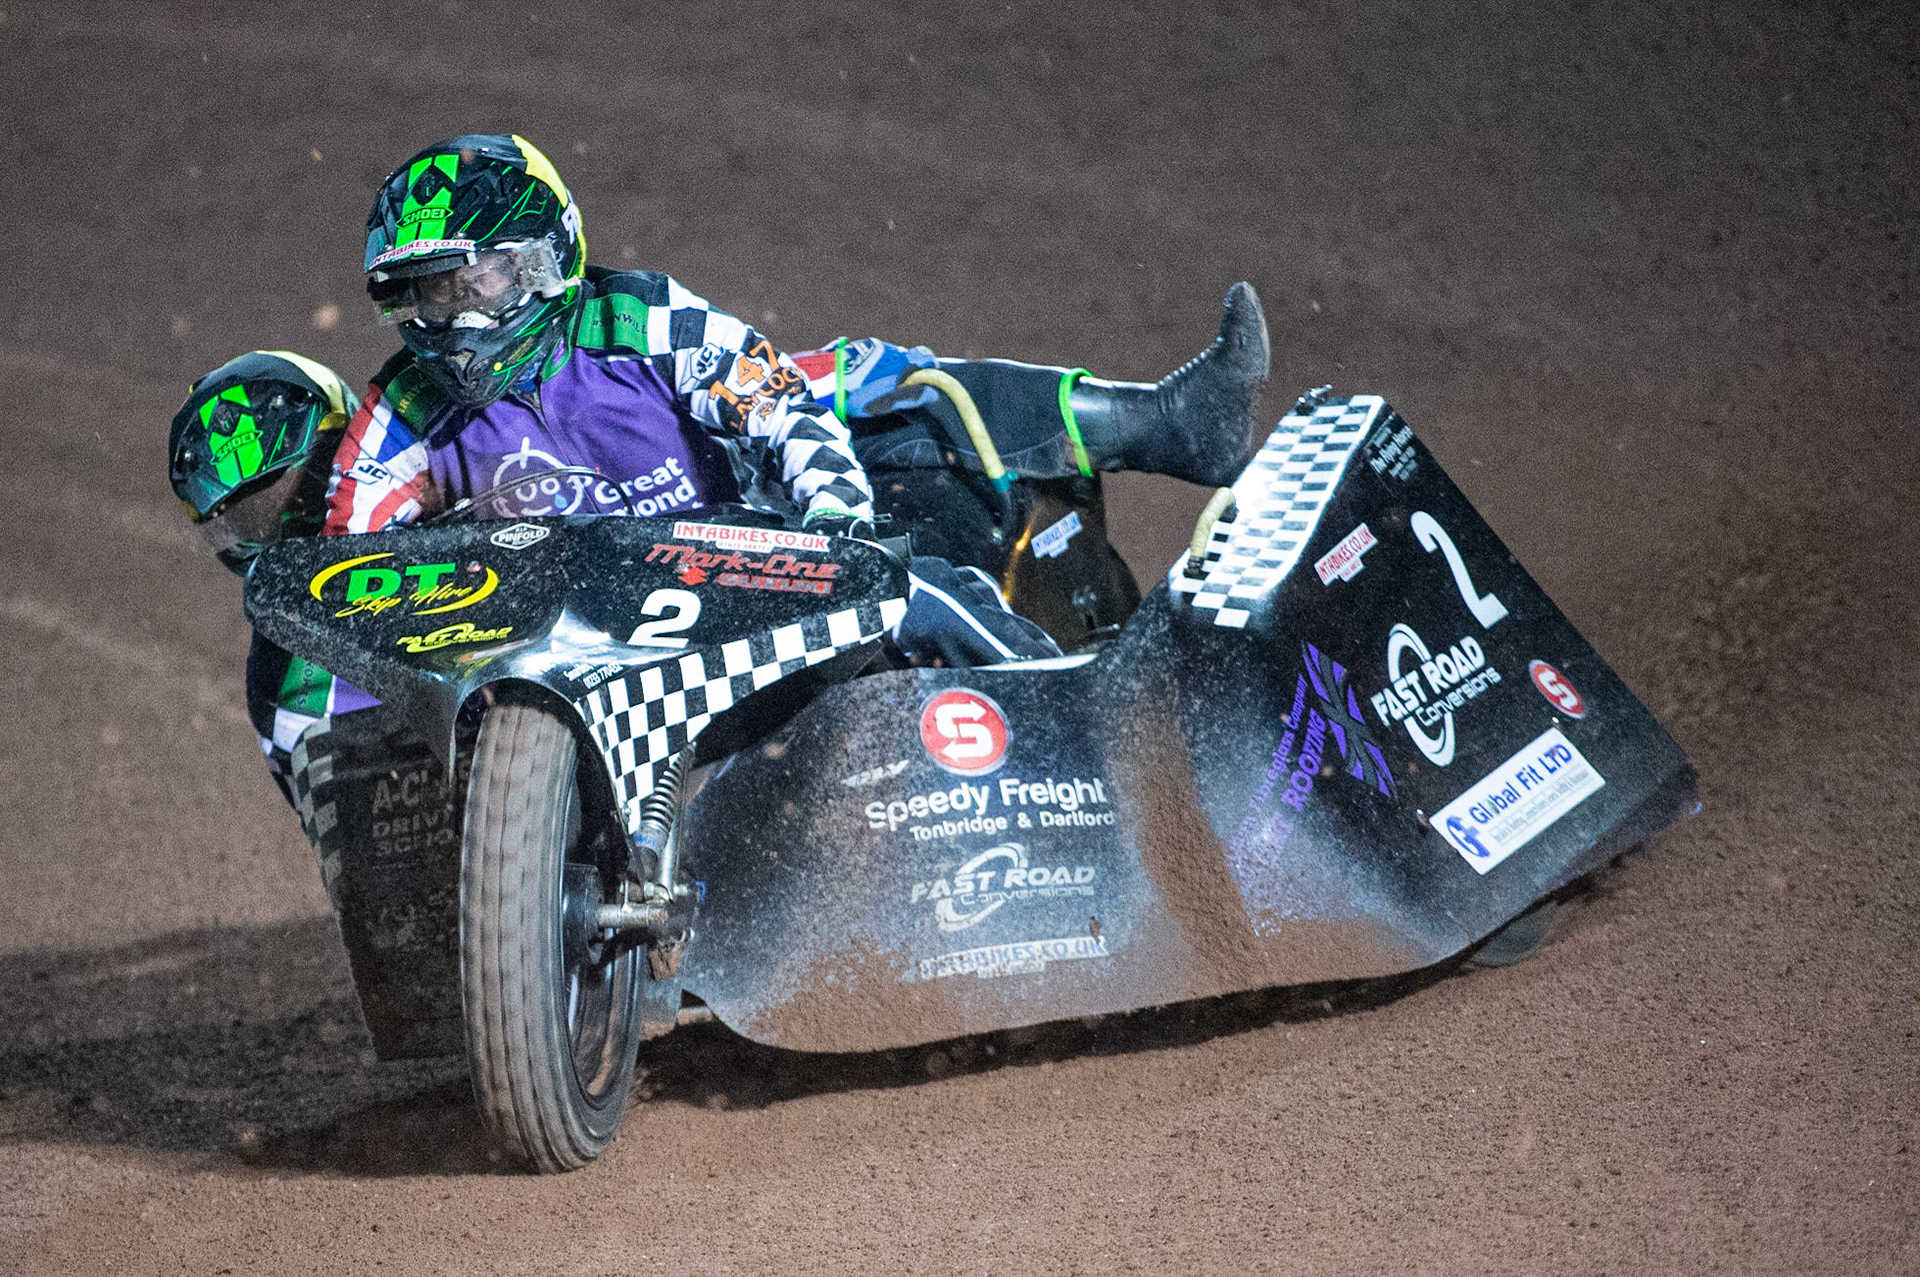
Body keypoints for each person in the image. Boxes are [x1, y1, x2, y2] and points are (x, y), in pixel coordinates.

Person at [328, 134, 1269, 664]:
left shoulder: (642, 316)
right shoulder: (401, 411)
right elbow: (342, 566)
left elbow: (781, 403)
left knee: (904, 549)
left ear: (543, 263)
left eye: (470, 285)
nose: (448, 320)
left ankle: (1074, 695)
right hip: (553, 649)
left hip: (733, 572)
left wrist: (840, 527)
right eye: (424, 295)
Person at [167, 350, 379, 805]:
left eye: (297, 494)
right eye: (251, 520)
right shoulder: (278, 683)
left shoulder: (430, 460)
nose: (290, 533)